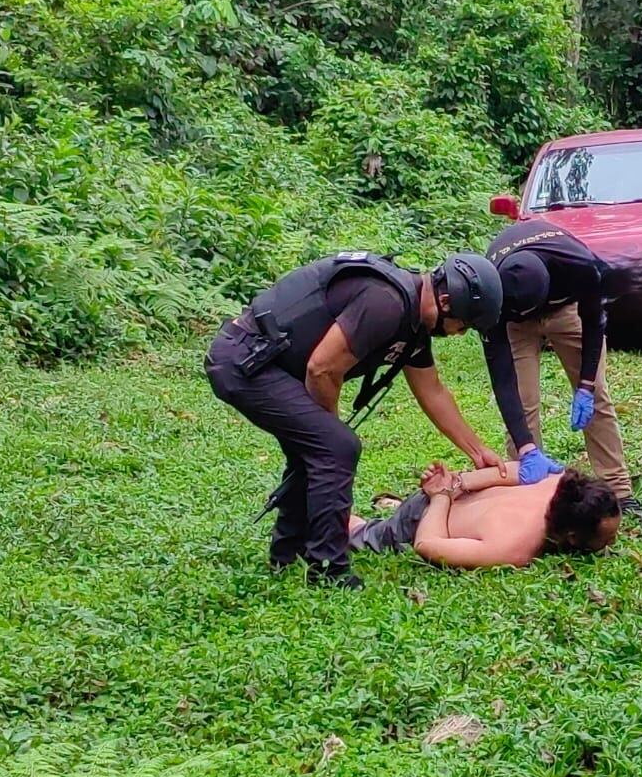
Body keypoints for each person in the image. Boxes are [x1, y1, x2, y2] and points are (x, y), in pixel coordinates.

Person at [205, 250, 504, 589]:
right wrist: (329, 434)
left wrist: (477, 451)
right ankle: (328, 569)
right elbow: (323, 368)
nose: (458, 334)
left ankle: (287, 552)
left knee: (318, 450)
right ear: (447, 302)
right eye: (463, 326)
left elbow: (432, 391)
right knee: (335, 448)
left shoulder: (412, 324)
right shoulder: (386, 303)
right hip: (246, 363)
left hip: (265, 364)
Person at [481, 218, 642, 519]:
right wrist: (525, 445)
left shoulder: (580, 266)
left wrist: (585, 385)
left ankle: (618, 490)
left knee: (597, 397)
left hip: (566, 310)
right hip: (513, 323)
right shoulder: (492, 289)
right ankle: (532, 491)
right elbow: (502, 379)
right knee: (523, 402)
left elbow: (594, 325)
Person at [349, 459, 620, 568]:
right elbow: (426, 544)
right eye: (607, 539)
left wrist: (458, 483)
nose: (614, 542)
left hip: (449, 498)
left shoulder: (559, 480)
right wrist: (444, 492)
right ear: (572, 538)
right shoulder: (515, 547)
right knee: (357, 536)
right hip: (422, 521)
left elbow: (516, 470)